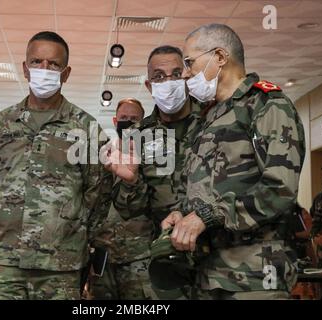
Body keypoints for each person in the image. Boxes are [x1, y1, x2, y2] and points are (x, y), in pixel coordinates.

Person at [159, 23, 305, 300]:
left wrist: (207, 216)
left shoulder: (267, 105)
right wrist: (182, 214)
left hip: (254, 276)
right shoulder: (206, 118)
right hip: (206, 274)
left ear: (220, 57)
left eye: (190, 62)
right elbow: (202, 186)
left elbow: (280, 189)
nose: (187, 73)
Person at [0, 31, 110, 300]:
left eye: (53, 64)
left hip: (60, 263)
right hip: (5, 260)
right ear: (25, 69)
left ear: (66, 73)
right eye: (37, 62)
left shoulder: (86, 128)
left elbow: (100, 193)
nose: (44, 70)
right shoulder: (0, 124)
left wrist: (72, 230)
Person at [103, 45, 205, 299]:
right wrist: (131, 181)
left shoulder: (213, 121)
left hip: (217, 259)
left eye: (176, 74)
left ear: (188, 78)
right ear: (149, 86)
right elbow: (129, 209)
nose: (168, 82)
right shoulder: (138, 135)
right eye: (159, 76)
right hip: (163, 261)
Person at [89, 97, 152, 300]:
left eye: (134, 119)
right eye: (124, 117)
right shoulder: (102, 155)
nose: (129, 122)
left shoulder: (153, 158)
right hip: (103, 252)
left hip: (139, 254)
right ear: (115, 121)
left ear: (143, 123)